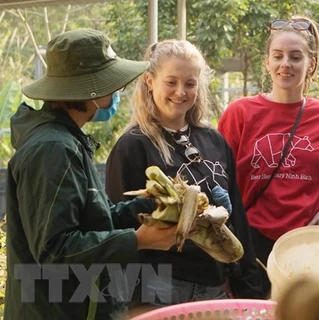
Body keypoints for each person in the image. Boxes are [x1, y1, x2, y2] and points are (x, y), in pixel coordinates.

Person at [5, 29, 181, 320]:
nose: (115, 93)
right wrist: (138, 240)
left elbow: (92, 220)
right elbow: (55, 250)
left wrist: (148, 207)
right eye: (112, 85)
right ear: (92, 90)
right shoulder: (53, 148)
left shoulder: (66, 140)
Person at [105, 39, 264, 310]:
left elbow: (237, 217)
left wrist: (249, 287)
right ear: (149, 81)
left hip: (214, 285)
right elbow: (120, 228)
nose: (180, 92)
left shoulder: (214, 141)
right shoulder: (133, 145)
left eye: (190, 83)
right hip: (158, 288)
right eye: (171, 82)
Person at [217, 15, 319, 297]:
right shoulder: (239, 113)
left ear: (310, 64)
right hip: (249, 244)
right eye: (277, 56)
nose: (285, 64)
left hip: (307, 246)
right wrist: (222, 261)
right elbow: (219, 185)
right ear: (267, 62)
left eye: (295, 57)